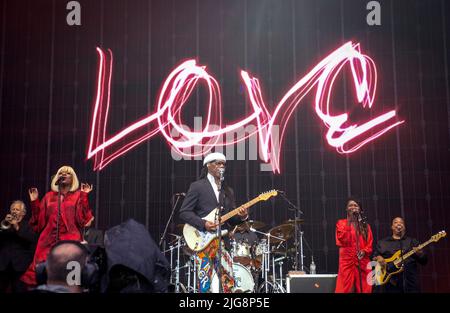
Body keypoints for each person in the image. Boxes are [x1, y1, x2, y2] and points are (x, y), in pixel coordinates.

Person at [178, 152, 248, 293]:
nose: (221, 166)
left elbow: (231, 220)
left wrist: (241, 216)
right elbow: (184, 212)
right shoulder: (197, 186)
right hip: (204, 241)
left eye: (223, 164)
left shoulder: (228, 191)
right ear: (208, 165)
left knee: (228, 283)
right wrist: (203, 223)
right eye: (218, 163)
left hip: (222, 240)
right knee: (205, 284)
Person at [21, 165, 94, 288]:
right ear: (57, 178)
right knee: (42, 278)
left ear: (73, 179)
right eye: (61, 173)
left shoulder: (77, 196)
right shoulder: (49, 197)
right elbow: (39, 223)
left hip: (70, 242)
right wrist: (34, 202)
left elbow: (83, 220)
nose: (64, 174)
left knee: (70, 280)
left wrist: (84, 196)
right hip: (47, 243)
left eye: (68, 173)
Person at [373, 217, 427, 293]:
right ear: (392, 227)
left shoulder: (412, 242)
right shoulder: (382, 243)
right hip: (390, 284)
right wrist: (378, 258)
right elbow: (374, 258)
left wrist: (420, 254)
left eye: (401, 222)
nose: (399, 224)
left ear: (404, 227)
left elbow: (424, 261)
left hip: (410, 283)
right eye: (395, 222)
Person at [335, 197, 373, 293]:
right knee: (344, 289)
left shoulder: (365, 226)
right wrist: (349, 221)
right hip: (347, 261)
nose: (353, 207)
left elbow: (369, 244)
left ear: (360, 209)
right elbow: (342, 240)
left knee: (365, 288)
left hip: (362, 260)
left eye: (355, 205)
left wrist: (364, 251)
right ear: (346, 209)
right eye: (350, 205)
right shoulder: (341, 223)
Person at [0, 200, 37, 292]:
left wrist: (16, 226)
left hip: (20, 266)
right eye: (13, 209)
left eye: (17, 209)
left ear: (23, 213)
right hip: (4, 265)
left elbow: (32, 239)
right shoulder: (6, 224)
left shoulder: (28, 225)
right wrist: (2, 227)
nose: (14, 211)